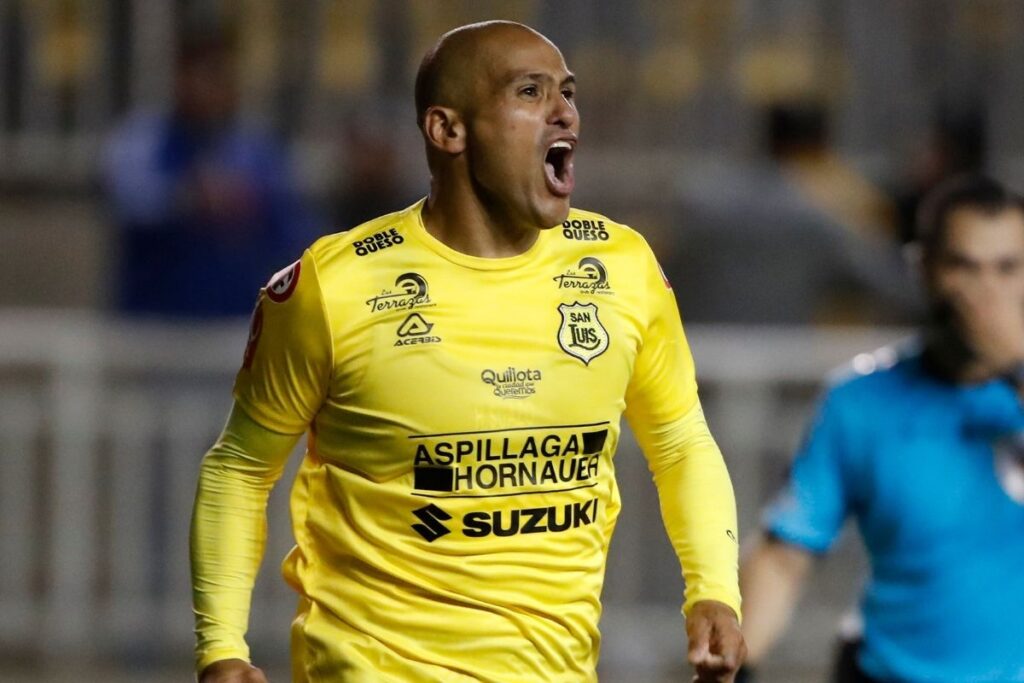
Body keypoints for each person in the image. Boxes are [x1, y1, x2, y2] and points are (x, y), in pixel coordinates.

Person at [190, 20, 745, 683]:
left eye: (567, 92)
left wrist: (714, 588)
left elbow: (680, 439)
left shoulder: (621, 268)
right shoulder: (334, 288)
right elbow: (241, 466)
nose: (564, 110)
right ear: (448, 130)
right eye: (530, 91)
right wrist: (222, 646)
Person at [738, 175, 1024, 682]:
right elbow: (785, 555)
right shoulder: (861, 403)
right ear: (925, 270)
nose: (986, 292)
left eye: (1007, 268)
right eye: (965, 266)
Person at [103, 28, 317, 317]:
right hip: (154, 325)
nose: (212, 88)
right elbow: (130, 201)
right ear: (179, 77)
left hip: (235, 326)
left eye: (222, 76)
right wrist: (187, 199)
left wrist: (252, 206)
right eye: (203, 74)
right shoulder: (142, 139)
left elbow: (295, 228)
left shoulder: (256, 148)